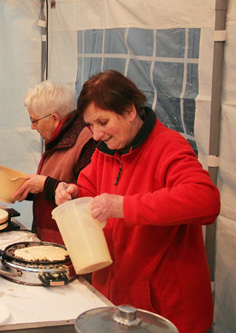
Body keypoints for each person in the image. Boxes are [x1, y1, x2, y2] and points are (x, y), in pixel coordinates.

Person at [55, 70, 220, 333]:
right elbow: (88, 191)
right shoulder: (105, 152)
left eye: (103, 122)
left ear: (130, 111)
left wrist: (125, 206)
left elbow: (206, 200)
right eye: (90, 125)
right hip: (115, 303)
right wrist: (72, 193)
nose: (96, 134)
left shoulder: (169, 147)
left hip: (165, 313)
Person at [12, 81, 96, 245]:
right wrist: (20, 188)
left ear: (54, 118)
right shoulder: (59, 137)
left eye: (34, 120)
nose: (32, 127)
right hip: (52, 239)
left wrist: (45, 184)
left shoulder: (87, 141)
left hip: (71, 246)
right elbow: (55, 182)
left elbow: (84, 198)